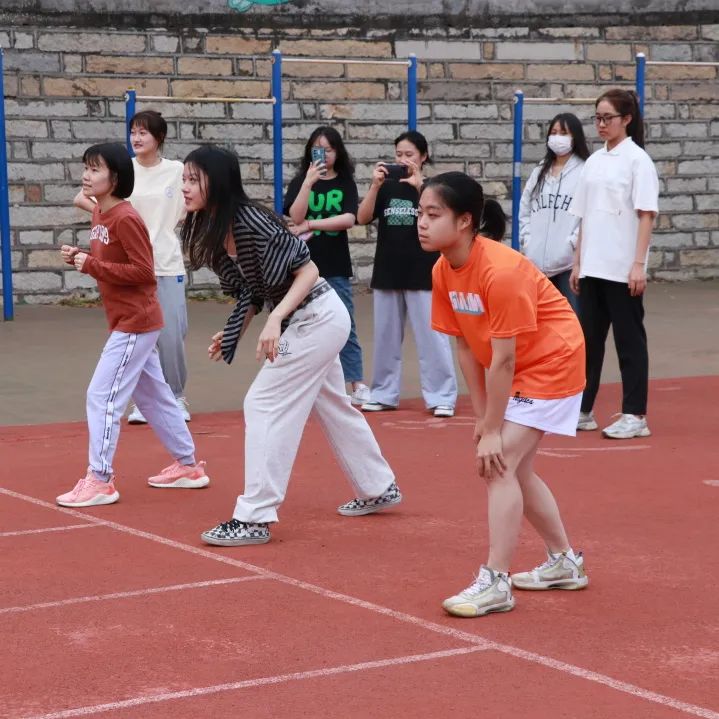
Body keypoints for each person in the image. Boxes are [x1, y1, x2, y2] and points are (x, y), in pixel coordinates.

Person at [179, 145, 400, 547]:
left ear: (219, 182)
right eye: (185, 180)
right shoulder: (212, 230)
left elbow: (309, 269)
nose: (186, 187)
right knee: (333, 405)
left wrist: (276, 319)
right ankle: (378, 486)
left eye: (194, 179)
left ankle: (254, 515)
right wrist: (234, 332)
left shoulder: (252, 221)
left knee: (262, 402)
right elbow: (250, 292)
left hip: (317, 316)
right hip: (309, 319)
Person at [420, 172, 588, 618]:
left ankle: (496, 582)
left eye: (433, 214)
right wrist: (483, 418)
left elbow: (504, 359)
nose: (421, 222)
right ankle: (565, 562)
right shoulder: (442, 270)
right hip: (516, 368)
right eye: (420, 213)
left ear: (464, 221)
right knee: (515, 468)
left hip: (552, 361)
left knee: (498, 465)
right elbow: (466, 346)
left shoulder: (502, 271)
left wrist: (494, 429)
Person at [57, 142, 208, 508]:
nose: (86, 175)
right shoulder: (100, 213)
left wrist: (91, 265)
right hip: (126, 320)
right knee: (155, 397)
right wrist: (83, 258)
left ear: (115, 178)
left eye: (95, 169)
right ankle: (189, 467)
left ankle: (100, 479)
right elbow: (110, 262)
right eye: (86, 168)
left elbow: (144, 272)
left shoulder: (126, 217)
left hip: (136, 322)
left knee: (101, 396)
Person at [74, 110, 190, 425]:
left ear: (159, 138)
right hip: (128, 263)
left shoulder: (176, 170)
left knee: (171, 336)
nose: (136, 138)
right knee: (139, 339)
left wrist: (168, 226)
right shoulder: (124, 170)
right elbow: (83, 198)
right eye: (133, 132)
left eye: (143, 133)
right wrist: (110, 219)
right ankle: (146, 403)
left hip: (165, 262)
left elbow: (191, 203)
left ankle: (176, 396)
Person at [570, 89, 659, 439]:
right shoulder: (594, 162)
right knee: (588, 343)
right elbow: (584, 216)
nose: (601, 124)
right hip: (593, 267)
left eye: (608, 117)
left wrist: (638, 264)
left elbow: (646, 214)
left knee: (629, 343)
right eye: (597, 118)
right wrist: (578, 262)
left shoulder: (638, 161)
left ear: (627, 119)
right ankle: (582, 410)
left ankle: (635, 414)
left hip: (622, 268)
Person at [356, 130, 457, 417]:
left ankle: (441, 397)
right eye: (399, 154)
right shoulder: (386, 187)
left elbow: (443, 215)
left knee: (432, 337)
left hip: (423, 270)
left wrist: (420, 185)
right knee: (385, 338)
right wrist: (374, 186)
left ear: (423, 156)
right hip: (388, 269)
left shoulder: (434, 188)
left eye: (409, 154)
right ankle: (383, 393)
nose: (403, 160)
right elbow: (362, 217)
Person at [283, 126, 370, 406]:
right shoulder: (301, 181)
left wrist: (311, 224)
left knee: (345, 323)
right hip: (301, 266)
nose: (323, 154)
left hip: (335, 265)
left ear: (338, 152)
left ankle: (356, 382)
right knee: (298, 323)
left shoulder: (344, 182)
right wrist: (308, 183)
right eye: (317, 149)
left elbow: (348, 219)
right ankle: (298, 382)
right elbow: (294, 216)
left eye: (328, 149)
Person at [519, 113, 590, 313]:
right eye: (554, 132)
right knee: (539, 319)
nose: (558, 137)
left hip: (568, 264)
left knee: (571, 319)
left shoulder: (585, 171)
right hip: (536, 263)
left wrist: (572, 243)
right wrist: (527, 240)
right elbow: (525, 208)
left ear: (575, 137)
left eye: (564, 133)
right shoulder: (540, 171)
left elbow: (588, 214)